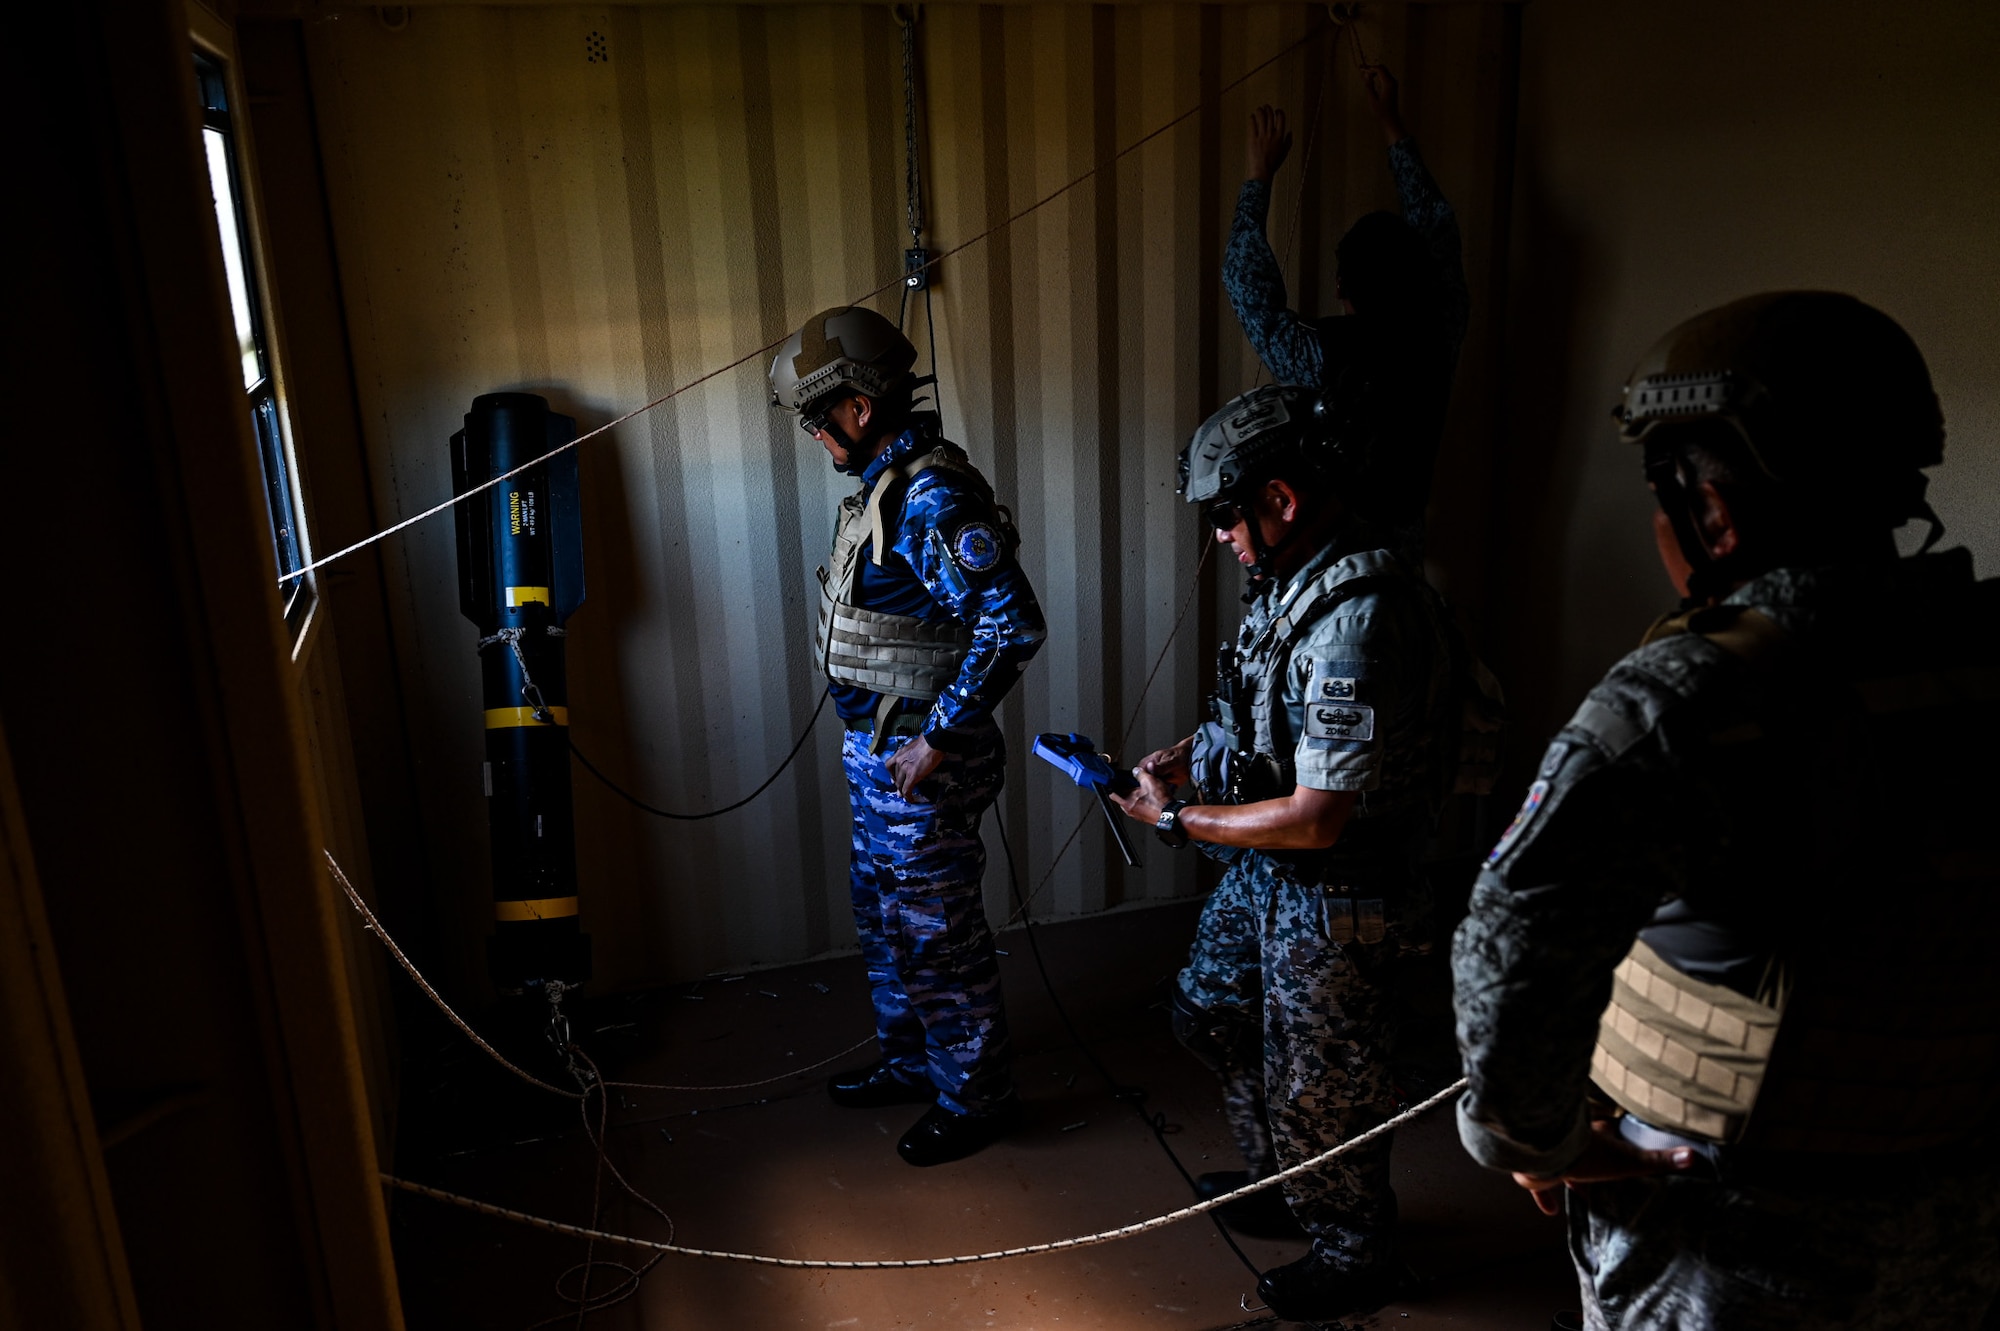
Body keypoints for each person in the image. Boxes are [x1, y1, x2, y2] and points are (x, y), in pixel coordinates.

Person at [1452, 292, 2000, 1328]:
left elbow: (1512, 947)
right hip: (1957, 1230)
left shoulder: (1683, 704)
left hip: (1727, 1242)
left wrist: (1541, 1143)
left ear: (1712, 512)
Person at [1112, 383, 1456, 1320]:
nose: (1219, 534)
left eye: (1227, 514)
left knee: (1325, 1089)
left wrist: (1176, 822)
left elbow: (1317, 817)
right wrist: (1185, 759)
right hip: (1279, 870)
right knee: (1212, 1012)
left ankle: (1355, 1251)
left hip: (1342, 885)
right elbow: (1259, 713)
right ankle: (1284, 1182)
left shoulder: (1361, 615)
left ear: (1283, 500)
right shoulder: (1290, 581)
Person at [769, 305, 1047, 1167]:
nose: (817, 437)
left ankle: (976, 1096)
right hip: (877, 759)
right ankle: (914, 1062)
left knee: (935, 933)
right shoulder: (884, 487)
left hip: (921, 763)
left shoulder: (933, 496)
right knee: (884, 919)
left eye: (820, 419)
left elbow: (1012, 623)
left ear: (859, 406)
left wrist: (937, 738)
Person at [1227, 65, 1469, 562]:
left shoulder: (1322, 354)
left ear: (1340, 286)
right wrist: (1391, 122)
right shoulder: (1440, 330)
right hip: (1405, 553)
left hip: (1337, 558)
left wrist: (1259, 176)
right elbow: (1437, 227)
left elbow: (1246, 286)